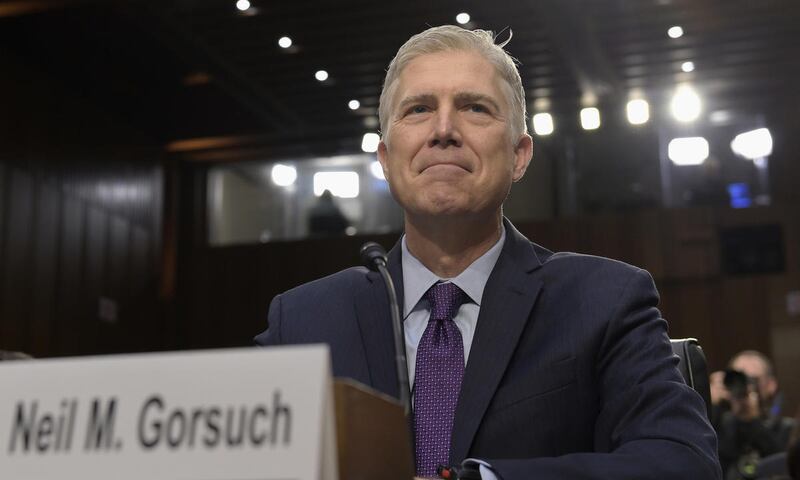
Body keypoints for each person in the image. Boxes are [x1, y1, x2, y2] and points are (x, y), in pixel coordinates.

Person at [255, 25, 720, 479]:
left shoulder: (605, 301)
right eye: (418, 109)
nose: (443, 130)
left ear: (519, 155)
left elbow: (682, 462)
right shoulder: (301, 321)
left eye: (474, 108)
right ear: (385, 157)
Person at [711, 351, 796, 478]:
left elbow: (786, 468)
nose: (745, 386)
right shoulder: (717, 427)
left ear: (771, 385)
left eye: (753, 379)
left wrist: (752, 421)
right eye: (739, 378)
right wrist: (712, 406)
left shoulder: (789, 430)